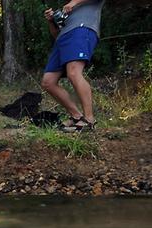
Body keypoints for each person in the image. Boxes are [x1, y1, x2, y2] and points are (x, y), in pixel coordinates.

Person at [40, 0, 105, 132]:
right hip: (63, 38)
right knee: (48, 82)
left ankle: (89, 120)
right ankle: (76, 117)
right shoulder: (67, 7)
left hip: (82, 29)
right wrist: (51, 21)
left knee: (74, 73)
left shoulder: (76, 3)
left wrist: (74, 2)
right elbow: (56, 34)